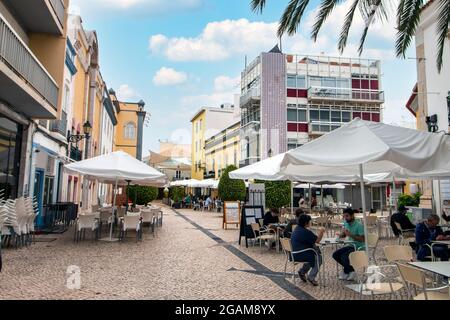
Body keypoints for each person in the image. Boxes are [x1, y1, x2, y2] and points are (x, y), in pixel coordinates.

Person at [290, 214, 325, 286]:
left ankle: (302, 272)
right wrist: (321, 231)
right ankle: (311, 277)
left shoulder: (297, 229)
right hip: (300, 254)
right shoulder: (305, 232)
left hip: (293, 254)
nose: (310, 223)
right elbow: (317, 240)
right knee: (319, 258)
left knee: (313, 255)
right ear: (306, 223)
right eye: (309, 221)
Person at [332, 208, 365, 281]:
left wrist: (351, 235)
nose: (345, 218)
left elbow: (363, 239)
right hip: (350, 245)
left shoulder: (359, 225)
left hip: (358, 246)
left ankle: (346, 271)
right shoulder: (346, 223)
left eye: (347, 216)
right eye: (344, 216)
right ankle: (350, 270)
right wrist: (341, 235)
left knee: (344, 256)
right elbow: (345, 234)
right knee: (335, 255)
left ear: (352, 215)